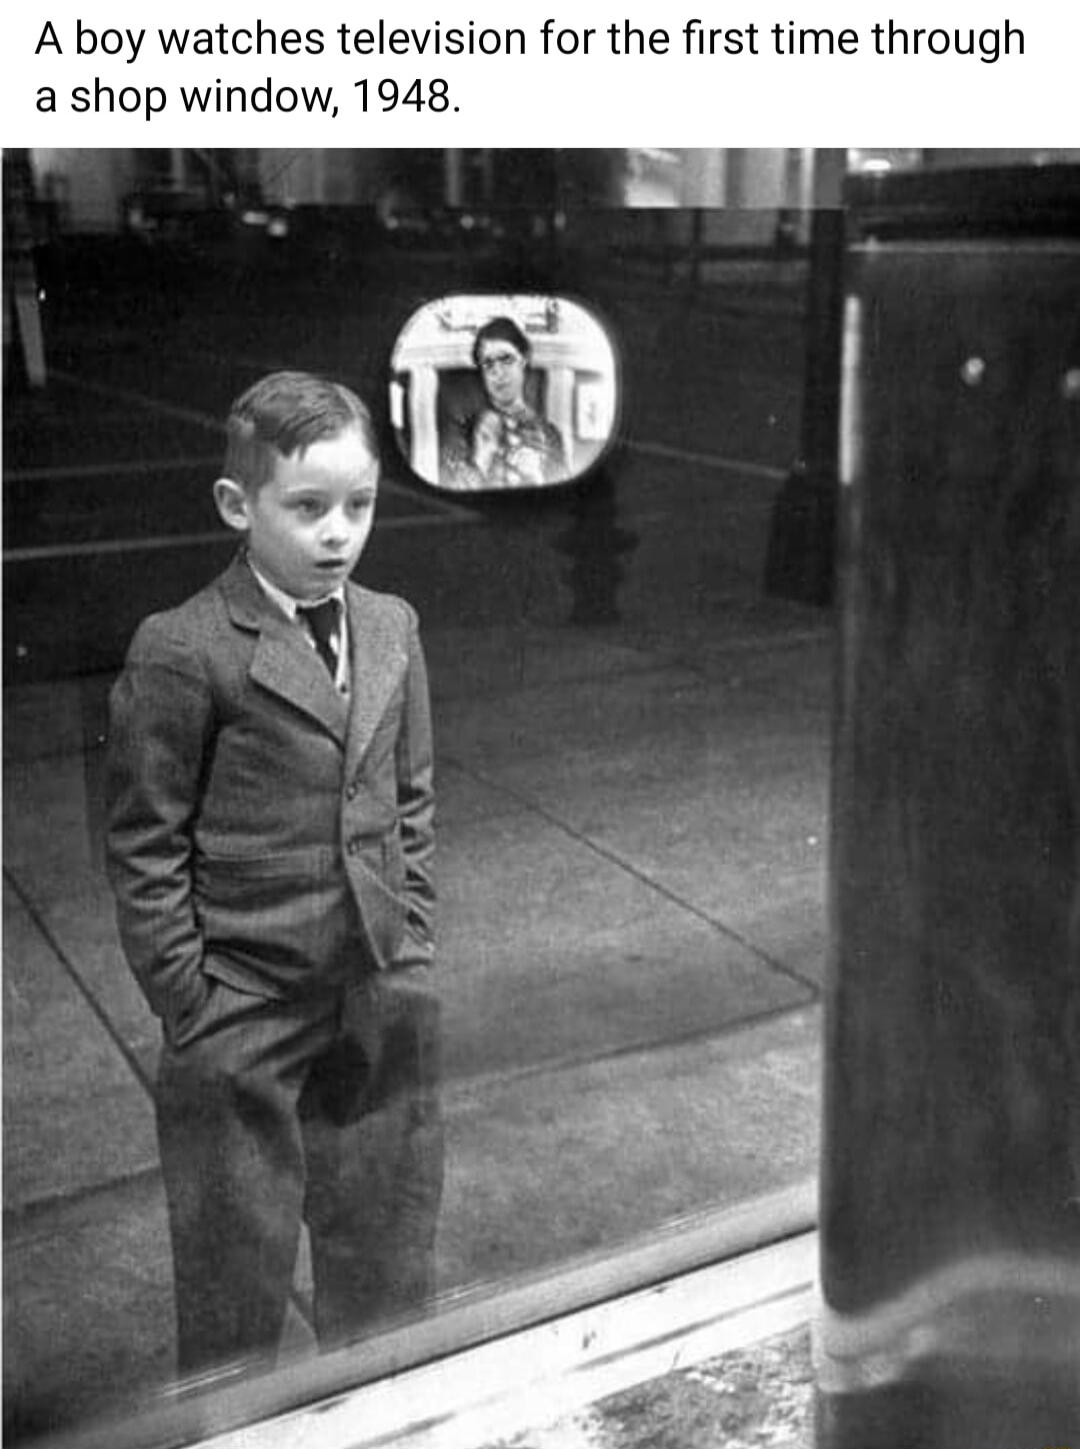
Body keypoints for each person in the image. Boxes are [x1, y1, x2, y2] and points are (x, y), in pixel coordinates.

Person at [105, 371, 442, 1378]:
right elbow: (145, 841)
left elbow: (410, 793)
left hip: (375, 987)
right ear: (236, 505)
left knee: (386, 1257)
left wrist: (411, 932)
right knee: (233, 1277)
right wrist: (191, 1001)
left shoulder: (392, 627)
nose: (338, 532)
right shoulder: (183, 650)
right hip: (242, 1008)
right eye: (307, 508)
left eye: (359, 506)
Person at [440, 316, 567, 490]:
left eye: (506, 359)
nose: (498, 372)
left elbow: (563, 499)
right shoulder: (463, 431)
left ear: (523, 360)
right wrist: (480, 461)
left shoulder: (550, 435)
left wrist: (538, 478)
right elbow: (448, 495)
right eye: (488, 363)